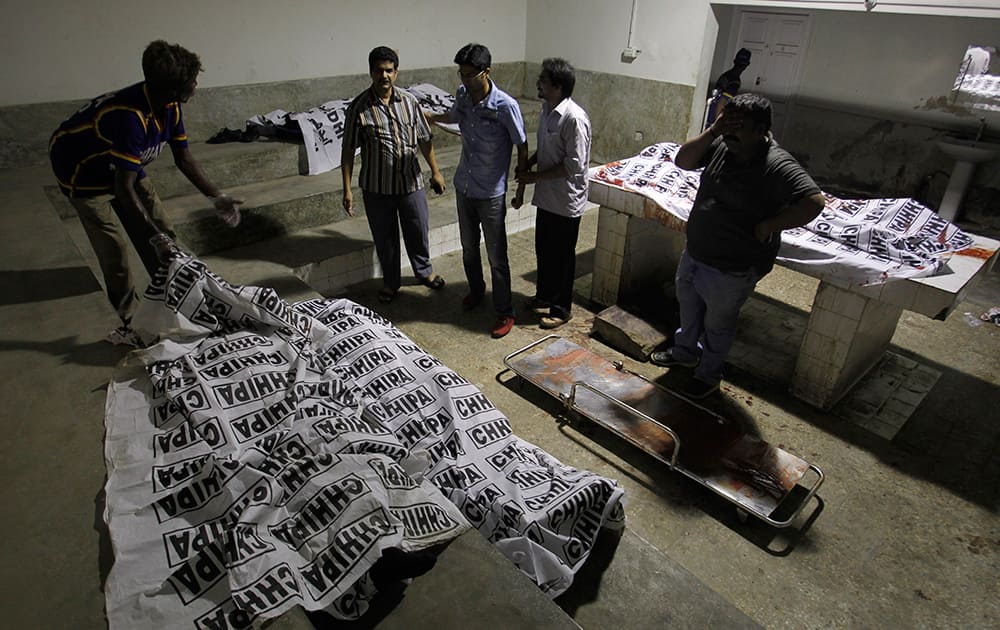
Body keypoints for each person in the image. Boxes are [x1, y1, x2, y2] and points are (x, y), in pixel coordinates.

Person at [49, 40, 244, 338]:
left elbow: (184, 157)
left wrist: (216, 196)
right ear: (170, 89)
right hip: (84, 175)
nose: (196, 85)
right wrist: (155, 238)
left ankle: (177, 296)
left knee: (164, 229)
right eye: (192, 81)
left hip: (124, 167)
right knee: (115, 249)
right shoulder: (130, 118)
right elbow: (123, 190)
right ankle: (131, 320)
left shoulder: (168, 107)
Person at [653, 93, 825, 399]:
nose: (730, 131)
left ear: (760, 130)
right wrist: (714, 131)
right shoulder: (722, 145)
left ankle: (707, 374)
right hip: (696, 253)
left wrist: (770, 225)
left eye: (738, 125)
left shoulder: (775, 164)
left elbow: (814, 202)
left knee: (718, 324)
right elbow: (683, 160)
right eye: (727, 122)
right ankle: (685, 351)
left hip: (731, 267)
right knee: (689, 309)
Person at [424, 43, 528, 338]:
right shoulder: (462, 95)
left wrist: (519, 186)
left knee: (497, 257)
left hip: (491, 193)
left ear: (487, 72)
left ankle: (505, 310)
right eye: (461, 74)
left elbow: (521, 144)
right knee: (469, 248)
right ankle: (476, 290)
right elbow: (456, 115)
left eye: (470, 75)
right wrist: (433, 117)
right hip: (464, 187)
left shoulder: (506, 106)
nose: (465, 81)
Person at [342, 46, 447, 304]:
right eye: (379, 70)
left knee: (417, 230)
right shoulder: (359, 108)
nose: (384, 75)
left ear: (396, 72)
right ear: (371, 72)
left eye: (389, 70)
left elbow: (424, 139)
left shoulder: (410, 103)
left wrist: (435, 172)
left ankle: (424, 272)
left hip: (411, 183)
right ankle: (391, 282)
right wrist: (346, 190)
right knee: (385, 239)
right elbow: (347, 152)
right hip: (377, 188)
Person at [516, 58, 591, 330]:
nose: (538, 83)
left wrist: (533, 177)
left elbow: (574, 165)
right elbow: (547, 147)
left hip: (566, 200)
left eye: (543, 80)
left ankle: (561, 309)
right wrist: (531, 162)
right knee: (544, 250)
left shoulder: (574, 118)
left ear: (557, 87)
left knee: (562, 257)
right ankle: (545, 295)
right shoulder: (548, 109)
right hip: (548, 196)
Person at [704, 48, 752, 128]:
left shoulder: (726, 75)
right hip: (714, 118)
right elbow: (722, 101)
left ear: (734, 61)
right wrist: (717, 124)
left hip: (709, 111)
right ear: (747, 65)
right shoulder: (735, 81)